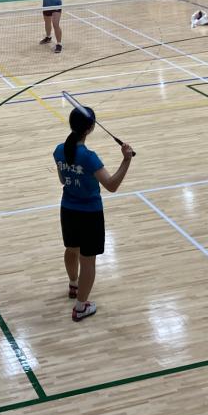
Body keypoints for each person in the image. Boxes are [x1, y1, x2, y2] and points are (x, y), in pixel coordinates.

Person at [53, 105, 133, 322]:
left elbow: (62, 179)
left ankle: (73, 285)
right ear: (90, 129)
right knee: (88, 261)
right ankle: (81, 307)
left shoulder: (59, 150)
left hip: (68, 210)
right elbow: (111, 185)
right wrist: (126, 160)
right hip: (89, 214)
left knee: (71, 249)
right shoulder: (89, 157)